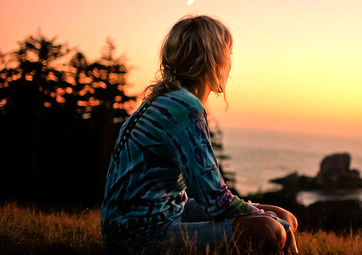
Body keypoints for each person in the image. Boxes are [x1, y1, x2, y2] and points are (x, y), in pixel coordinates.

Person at [101, 15, 298, 254]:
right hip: (139, 234)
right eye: (229, 53)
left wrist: (273, 218)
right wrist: (268, 220)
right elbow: (214, 199)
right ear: (213, 59)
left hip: (169, 212)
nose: (229, 62)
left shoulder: (166, 100)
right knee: (270, 230)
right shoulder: (184, 107)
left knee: (284, 216)